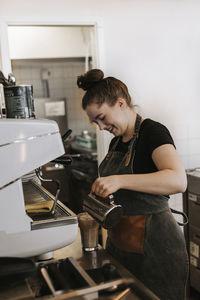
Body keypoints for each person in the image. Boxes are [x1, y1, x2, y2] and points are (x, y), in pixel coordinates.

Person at [77, 69, 189, 300]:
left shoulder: (152, 132)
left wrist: (118, 180)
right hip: (121, 246)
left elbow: (178, 180)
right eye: (94, 121)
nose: (100, 127)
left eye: (102, 117)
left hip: (158, 249)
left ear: (120, 104)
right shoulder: (117, 143)